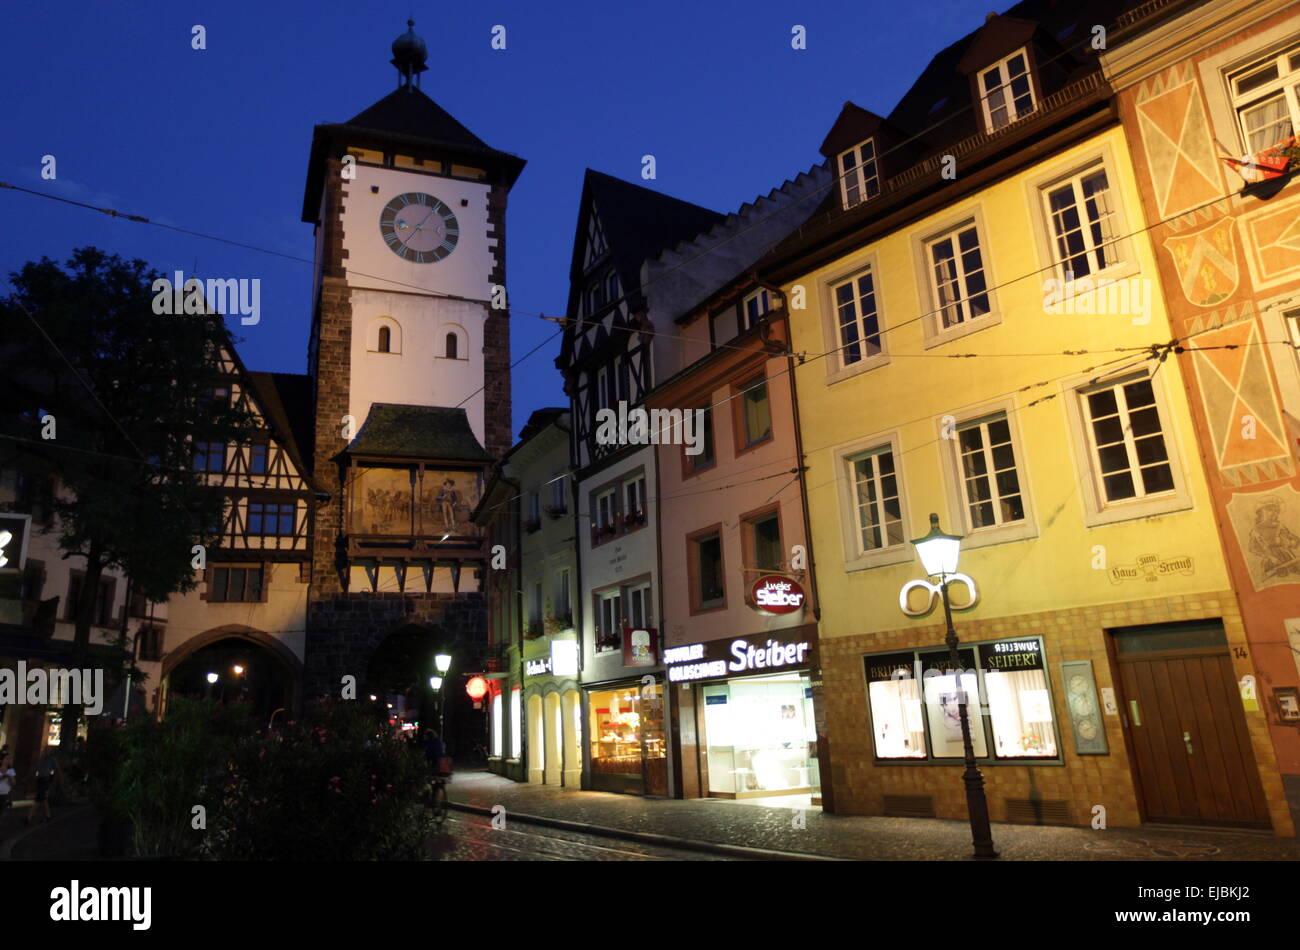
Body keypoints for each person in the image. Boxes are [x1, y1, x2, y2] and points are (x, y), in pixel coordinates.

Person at [27, 751, 59, 824]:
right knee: (43, 799)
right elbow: (36, 769)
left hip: (45, 780)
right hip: (40, 780)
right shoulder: (41, 760)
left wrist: (53, 781)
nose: (43, 753)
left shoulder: (52, 760)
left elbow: (56, 770)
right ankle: (48, 816)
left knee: (39, 799)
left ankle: (29, 817)